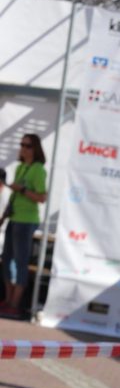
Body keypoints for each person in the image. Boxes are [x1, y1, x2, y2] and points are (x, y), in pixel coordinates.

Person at [0, 134, 48, 317]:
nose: (23, 148)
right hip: (14, 218)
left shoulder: (38, 169)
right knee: (6, 260)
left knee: (20, 262)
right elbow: (14, 195)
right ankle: (8, 300)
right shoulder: (20, 167)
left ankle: (15, 304)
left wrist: (22, 189)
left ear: (35, 149)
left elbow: (42, 197)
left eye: (27, 146)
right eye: (21, 144)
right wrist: (4, 216)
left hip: (27, 221)